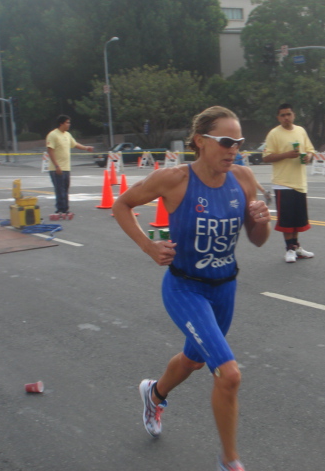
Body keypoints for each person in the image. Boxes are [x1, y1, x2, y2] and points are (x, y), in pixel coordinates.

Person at [112, 106, 270, 471]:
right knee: (228, 375)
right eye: (226, 141)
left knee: (194, 361)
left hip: (225, 289)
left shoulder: (243, 178)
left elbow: (258, 239)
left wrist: (262, 221)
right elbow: (122, 205)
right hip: (185, 289)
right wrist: (148, 246)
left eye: (239, 142)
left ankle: (154, 394)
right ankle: (229, 461)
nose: (234, 150)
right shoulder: (174, 179)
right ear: (200, 141)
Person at [262, 103, 316, 263]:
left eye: (289, 114)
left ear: (294, 115)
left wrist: (308, 157)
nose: (286, 117)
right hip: (282, 183)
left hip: (300, 182)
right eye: (283, 115)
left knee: (298, 219)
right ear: (278, 117)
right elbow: (266, 157)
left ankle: (296, 247)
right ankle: (289, 249)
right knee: (287, 219)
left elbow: (310, 150)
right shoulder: (274, 134)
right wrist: (286, 155)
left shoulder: (301, 131)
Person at [45, 115, 93, 217]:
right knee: (60, 190)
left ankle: (65, 210)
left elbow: (75, 144)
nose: (69, 124)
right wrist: (57, 166)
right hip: (57, 168)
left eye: (69, 122)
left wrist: (86, 148)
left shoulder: (67, 135)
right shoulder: (53, 135)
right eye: (67, 122)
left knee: (65, 189)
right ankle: (60, 210)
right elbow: (50, 150)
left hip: (66, 168)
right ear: (61, 123)